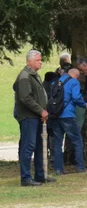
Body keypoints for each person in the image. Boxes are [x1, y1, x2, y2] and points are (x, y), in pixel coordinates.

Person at [13, 50, 56, 187]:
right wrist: (40, 110)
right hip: (29, 117)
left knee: (39, 146)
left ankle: (40, 174)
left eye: (40, 60)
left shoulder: (33, 75)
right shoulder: (25, 76)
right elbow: (26, 98)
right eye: (38, 60)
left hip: (36, 116)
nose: (40, 62)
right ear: (29, 61)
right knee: (28, 146)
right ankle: (26, 178)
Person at [50, 68, 87, 175]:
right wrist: (84, 104)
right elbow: (76, 97)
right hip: (68, 115)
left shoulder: (55, 82)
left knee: (57, 143)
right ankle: (80, 167)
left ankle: (58, 169)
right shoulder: (74, 82)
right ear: (75, 75)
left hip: (56, 115)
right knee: (77, 141)